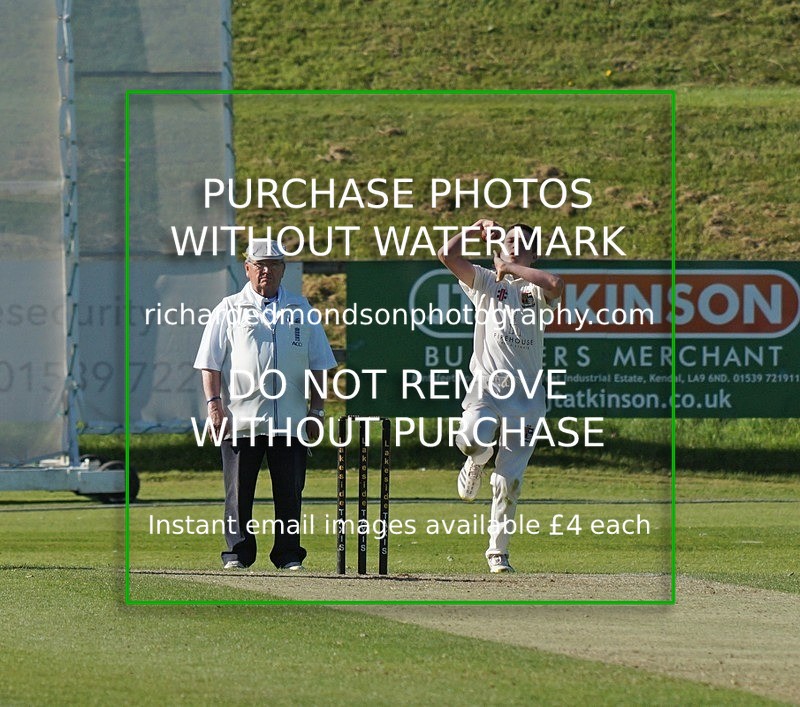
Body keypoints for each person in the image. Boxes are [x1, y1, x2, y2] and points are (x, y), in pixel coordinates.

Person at [194, 238, 336, 571]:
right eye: (260, 265)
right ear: (247, 269)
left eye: (273, 265)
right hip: (241, 420)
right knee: (238, 493)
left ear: (283, 269)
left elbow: (319, 364)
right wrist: (214, 404)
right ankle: (238, 553)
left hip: (289, 419)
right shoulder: (228, 308)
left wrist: (316, 410)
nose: (266, 271)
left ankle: (288, 554)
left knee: (290, 491)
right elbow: (209, 363)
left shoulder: (301, 309)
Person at [437, 218, 564, 573]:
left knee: (510, 481)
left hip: (526, 398)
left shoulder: (537, 289)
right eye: (508, 239)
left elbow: (556, 283)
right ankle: (477, 460)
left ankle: (498, 552)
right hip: (487, 388)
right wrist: (474, 228)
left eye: (521, 242)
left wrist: (511, 267)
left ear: (534, 254)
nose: (512, 244)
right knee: (470, 440)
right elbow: (446, 254)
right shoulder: (486, 282)